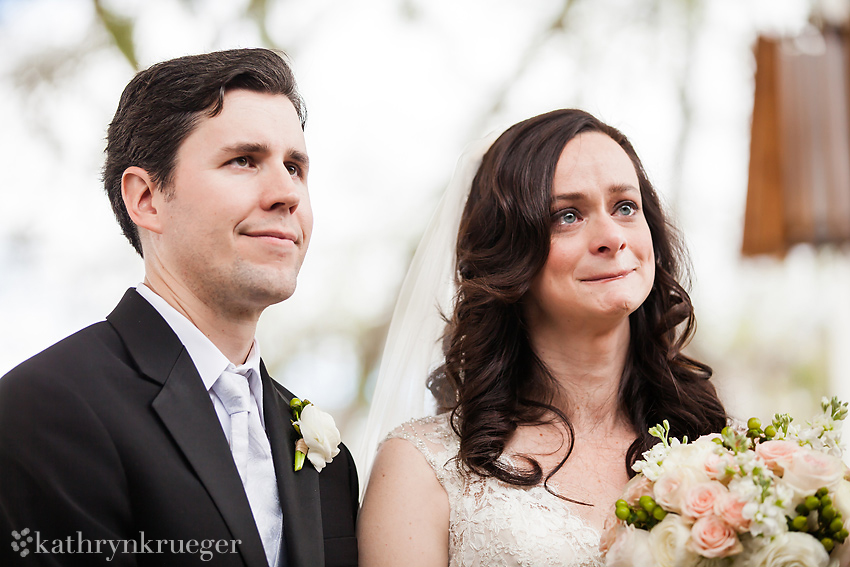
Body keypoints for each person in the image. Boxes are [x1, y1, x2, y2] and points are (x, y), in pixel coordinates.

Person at [0, 48, 358, 567]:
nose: (287, 193)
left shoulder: (327, 459)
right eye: (244, 160)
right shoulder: (47, 410)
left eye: (295, 167)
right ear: (146, 198)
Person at [357, 109, 727, 566]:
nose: (611, 236)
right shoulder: (421, 468)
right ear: (508, 253)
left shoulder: (718, 449)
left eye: (625, 207)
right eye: (568, 216)